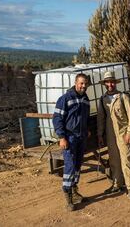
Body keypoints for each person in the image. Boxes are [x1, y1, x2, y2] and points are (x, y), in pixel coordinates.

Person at [53, 73, 90, 211]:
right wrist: (62, 137)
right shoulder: (65, 98)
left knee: (78, 164)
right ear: (75, 83)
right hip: (69, 138)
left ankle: (74, 191)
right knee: (69, 166)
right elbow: (57, 118)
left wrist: (86, 130)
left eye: (85, 83)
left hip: (81, 137)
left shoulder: (85, 99)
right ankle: (67, 196)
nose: (83, 86)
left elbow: (85, 117)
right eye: (81, 83)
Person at [97, 71, 130, 200]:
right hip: (110, 134)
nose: (110, 84)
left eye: (112, 82)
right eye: (107, 82)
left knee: (126, 160)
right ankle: (117, 184)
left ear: (115, 83)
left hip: (123, 133)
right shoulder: (103, 99)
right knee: (114, 161)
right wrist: (100, 134)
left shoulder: (123, 97)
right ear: (104, 84)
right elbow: (101, 118)